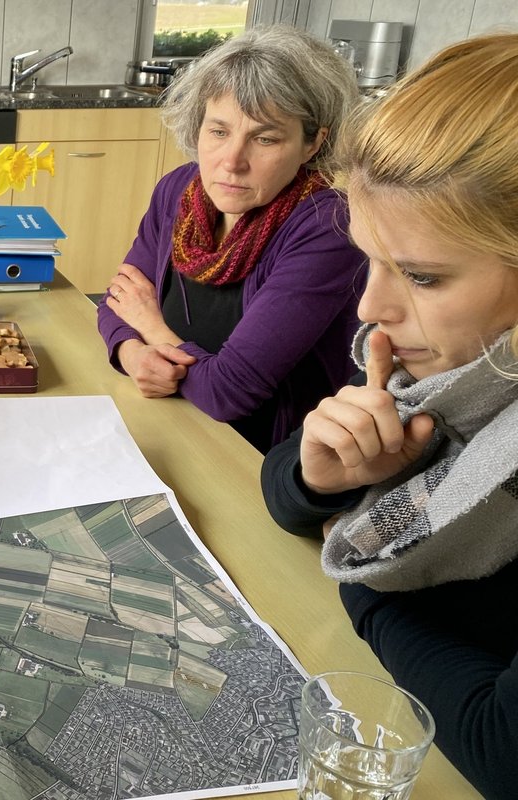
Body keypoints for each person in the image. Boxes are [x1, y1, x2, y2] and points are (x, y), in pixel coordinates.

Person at [260, 32, 518, 798]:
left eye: (423, 277)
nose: (372, 307)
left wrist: (365, 586)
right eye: (370, 259)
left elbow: (501, 752)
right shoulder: (457, 370)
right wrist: (325, 479)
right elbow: (283, 485)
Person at [98, 25, 366, 453]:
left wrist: (151, 327)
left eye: (265, 138)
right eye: (219, 131)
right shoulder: (178, 190)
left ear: (313, 142)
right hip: (175, 419)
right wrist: (132, 354)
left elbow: (229, 393)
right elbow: (117, 303)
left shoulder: (328, 227)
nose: (232, 162)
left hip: (261, 455)